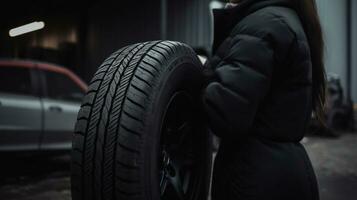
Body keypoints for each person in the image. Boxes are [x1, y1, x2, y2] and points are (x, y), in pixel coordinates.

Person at [200, 0, 325, 199]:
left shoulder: (262, 24)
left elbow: (225, 113)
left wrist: (203, 69)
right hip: (281, 172)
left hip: (256, 178)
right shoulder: (282, 19)